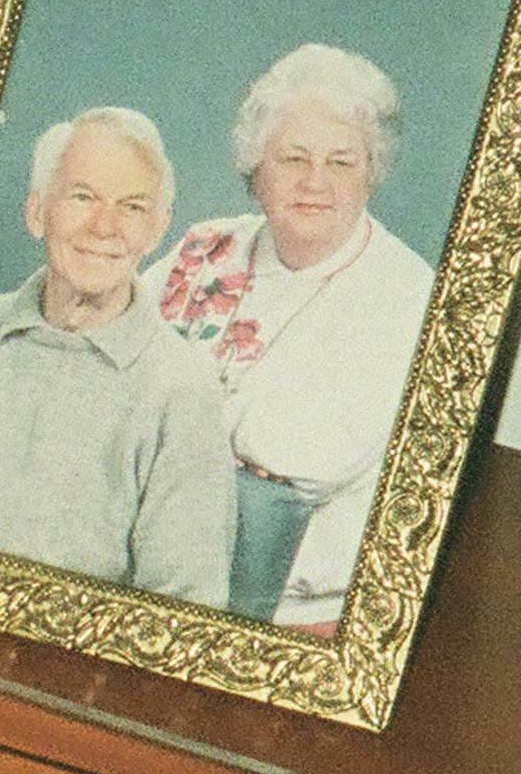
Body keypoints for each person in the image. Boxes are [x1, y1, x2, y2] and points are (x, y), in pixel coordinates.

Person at [145, 44, 436, 631]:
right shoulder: (205, 248)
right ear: (256, 166)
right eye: (293, 158)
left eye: (341, 162)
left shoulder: (412, 298)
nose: (314, 182)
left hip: (299, 610)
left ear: (371, 172)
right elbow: (115, 364)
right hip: (155, 563)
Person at [0, 107, 234, 604]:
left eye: (132, 207)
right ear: (37, 212)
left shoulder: (182, 390)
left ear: (157, 229)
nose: (105, 227)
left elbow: (183, 601)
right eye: (83, 197)